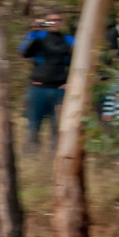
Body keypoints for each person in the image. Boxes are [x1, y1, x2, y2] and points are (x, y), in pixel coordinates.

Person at [19, 10, 75, 150]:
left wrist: (71, 83)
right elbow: (23, 52)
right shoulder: (38, 36)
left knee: (58, 128)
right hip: (38, 88)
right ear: (45, 22)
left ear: (62, 22)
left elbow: (78, 62)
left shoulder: (69, 40)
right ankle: (31, 156)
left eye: (58, 20)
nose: (54, 23)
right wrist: (33, 31)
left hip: (59, 89)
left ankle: (54, 156)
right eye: (51, 20)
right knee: (33, 126)